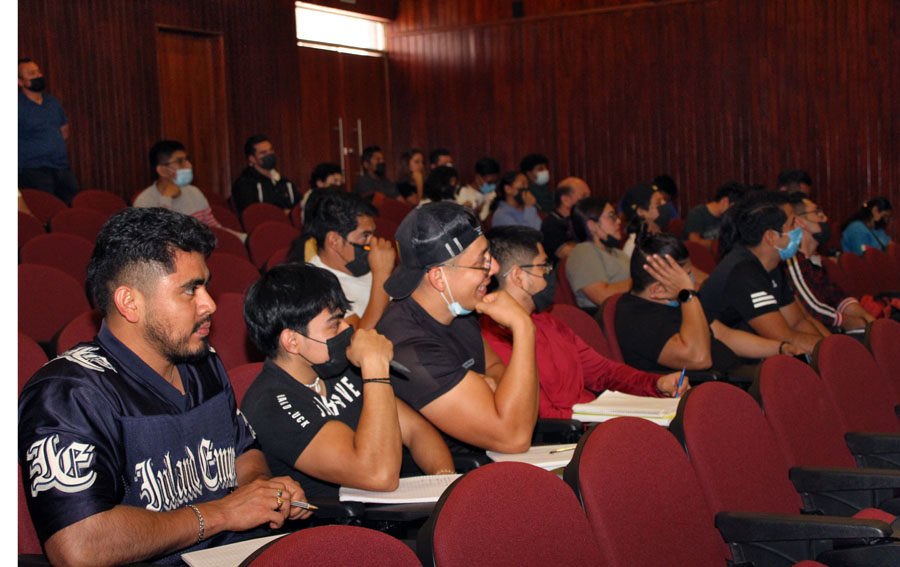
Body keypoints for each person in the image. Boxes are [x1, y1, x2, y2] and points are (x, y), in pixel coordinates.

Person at [18, 208, 312, 566]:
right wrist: (221, 513)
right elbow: (79, 546)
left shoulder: (202, 361)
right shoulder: (68, 393)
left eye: (205, 284)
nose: (211, 304)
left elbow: (244, 452)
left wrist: (264, 491)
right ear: (130, 303)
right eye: (190, 290)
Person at [240, 264, 455, 501]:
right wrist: (375, 369)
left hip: (405, 504)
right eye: (334, 324)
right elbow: (378, 475)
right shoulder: (270, 406)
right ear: (292, 341)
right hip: (345, 528)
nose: (347, 328)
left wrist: (444, 489)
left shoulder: (336, 366)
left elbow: (418, 432)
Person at [375, 202, 539, 454]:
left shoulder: (457, 308)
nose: (494, 268)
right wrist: (524, 328)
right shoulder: (408, 348)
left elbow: (495, 368)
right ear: (439, 277)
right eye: (480, 262)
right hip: (454, 481)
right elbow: (514, 437)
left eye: (489, 254)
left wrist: (491, 387)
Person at [482, 226, 687, 419]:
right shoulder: (491, 339)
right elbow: (542, 415)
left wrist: (657, 383)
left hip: (593, 422)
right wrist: (610, 419)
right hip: (567, 438)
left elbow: (605, 372)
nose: (549, 274)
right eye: (544, 266)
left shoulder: (548, 322)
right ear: (518, 276)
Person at [616, 232, 800, 376]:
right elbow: (699, 358)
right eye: (685, 277)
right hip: (709, 394)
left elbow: (725, 335)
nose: (693, 282)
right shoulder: (635, 318)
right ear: (657, 290)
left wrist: (779, 348)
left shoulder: (676, 301)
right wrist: (687, 294)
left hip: (738, 374)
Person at [700, 192, 826, 354]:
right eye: (792, 223)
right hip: (733, 366)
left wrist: (833, 347)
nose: (799, 227)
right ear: (771, 236)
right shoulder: (743, 272)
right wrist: (833, 353)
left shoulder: (771, 265)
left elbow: (798, 322)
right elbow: (784, 337)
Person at [289, 191, 394, 329]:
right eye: (365, 236)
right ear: (334, 241)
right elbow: (358, 343)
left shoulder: (368, 266)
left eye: (373, 234)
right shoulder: (317, 287)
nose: (373, 243)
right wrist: (381, 274)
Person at [785, 193, 876, 331]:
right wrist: (859, 323)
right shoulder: (792, 260)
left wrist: (868, 319)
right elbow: (811, 309)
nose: (825, 218)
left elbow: (838, 298)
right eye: (817, 213)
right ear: (799, 221)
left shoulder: (815, 260)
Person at [134, 140, 247, 241]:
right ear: (162, 170)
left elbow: (213, 228)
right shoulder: (143, 202)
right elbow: (160, 238)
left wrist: (245, 238)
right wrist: (166, 199)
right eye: (180, 161)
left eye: (187, 159)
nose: (188, 165)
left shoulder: (194, 192)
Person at [18, 58, 79, 204]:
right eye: (31, 73)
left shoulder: (52, 102)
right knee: (44, 210)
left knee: (71, 208)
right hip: (34, 170)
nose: (38, 75)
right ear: (19, 81)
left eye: (38, 71)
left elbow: (64, 130)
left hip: (61, 167)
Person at [565, 197, 631, 312]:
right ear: (592, 225)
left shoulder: (619, 253)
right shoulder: (583, 252)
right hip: (605, 320)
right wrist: (640, 282)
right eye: (611, 216)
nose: (619, 221)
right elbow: (602, 297)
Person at [231, 134, 299, 214]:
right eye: (263, 153)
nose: (269, 155)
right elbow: (252, 213)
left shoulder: (285, 183)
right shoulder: (244, 184)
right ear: (252, 159)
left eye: (271, 150)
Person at [540, 177, 591, 264]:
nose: (589, 201)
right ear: (566, 200)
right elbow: (566, 254)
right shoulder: (551, 224)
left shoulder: (582, 220)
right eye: (584, 196)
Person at [682, 181, 747, 248]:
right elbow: (694, 242)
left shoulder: (728, 217)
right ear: (725, 201)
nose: (735, 211)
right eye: (734, 207)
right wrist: (719, 245)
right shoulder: (697, 214)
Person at [620, 182, 667, 257]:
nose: (664, 204)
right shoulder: (635, 248)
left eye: (664, 200)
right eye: (658, 203)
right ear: (641, 211)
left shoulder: (663, 237)